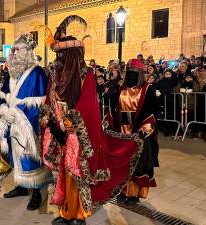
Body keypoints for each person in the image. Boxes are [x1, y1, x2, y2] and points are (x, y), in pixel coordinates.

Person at [40, 21, 142, 225]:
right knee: (62, 174)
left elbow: (87, 110)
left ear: (70, 56)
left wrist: (69, 129)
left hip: (76, 135)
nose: (57, 59)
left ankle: (79, 215)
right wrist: (50, 122)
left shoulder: (85, 75)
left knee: (78, 173)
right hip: (59, 133)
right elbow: (49, 102)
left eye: (61, 55)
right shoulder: (55, 75)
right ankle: (66, 212)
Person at [0, 34, 51, 211]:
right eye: (14, 50)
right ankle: (21, 185)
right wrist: (5, 111)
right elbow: (3, 97)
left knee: (30, 157)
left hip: (28, 125)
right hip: (11, 123)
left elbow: (41, 103)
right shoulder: (10, 75)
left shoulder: (38, 73)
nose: (15, 53)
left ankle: (36, 192)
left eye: (18, 50)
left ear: (28, 52)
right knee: (14, 155)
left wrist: (17, 114)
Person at [113, 59, 159, 205]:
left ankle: (134, 194)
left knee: (138, 163)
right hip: (122, 130)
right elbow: (114, 108)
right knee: (123, 163)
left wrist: (141, 131)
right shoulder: (121, 87)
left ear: (139, 73)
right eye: (128, 71)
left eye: (133, 72)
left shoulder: (148, 89)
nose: (130, 75)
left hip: (139, 130)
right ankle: (123, 191)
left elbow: (151, 113)